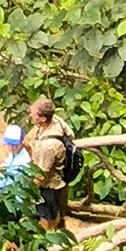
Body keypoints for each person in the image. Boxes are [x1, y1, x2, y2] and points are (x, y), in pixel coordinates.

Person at [26, 93, 77, 229]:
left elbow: (42, 175)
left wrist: (28, 191)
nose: (30, 115)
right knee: (56, 213)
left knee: (47, 218)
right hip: (59, 182)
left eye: (33, 113)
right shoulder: (57, 122)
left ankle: (48, 237)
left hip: (49, 187)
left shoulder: (48, 146)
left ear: (43, 119)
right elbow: (71, 135)